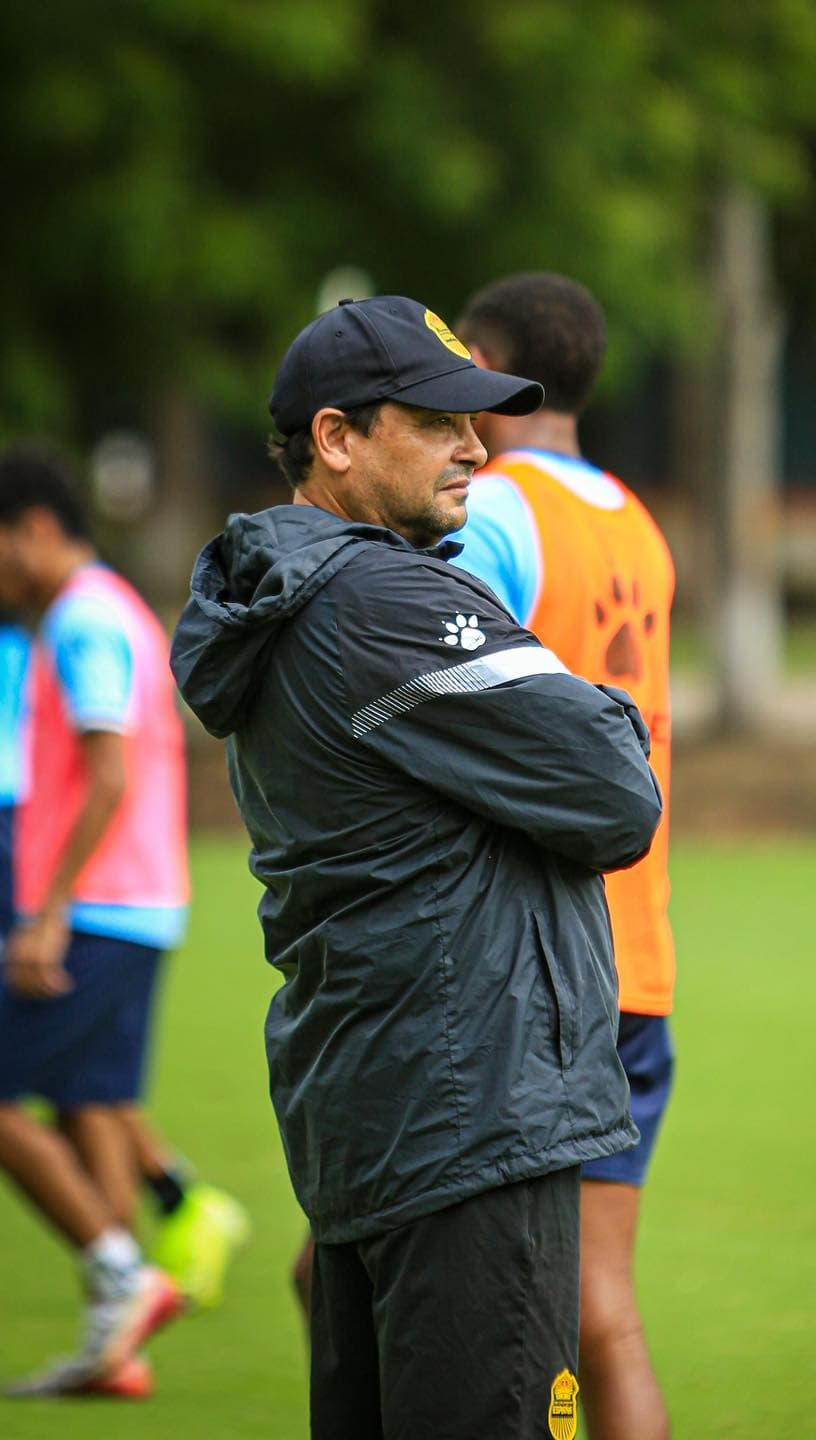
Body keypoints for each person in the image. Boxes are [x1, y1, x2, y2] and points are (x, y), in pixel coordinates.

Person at [170, 294, 663, 1440]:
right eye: (439, 421)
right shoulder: (386, 596)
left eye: (478, 421)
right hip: (472, 1113)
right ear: (337, 439)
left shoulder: (296, 596)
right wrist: (593, 707)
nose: (476, 450)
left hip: (374, 1107)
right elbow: (616, 791)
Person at [451, 272, 676, 1440]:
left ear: (495, 372)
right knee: (605, 1313)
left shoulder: (492, 516)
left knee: (480, 1306)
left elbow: (437, 702)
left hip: (536, 970)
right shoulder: (633, 519)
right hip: (639, 959)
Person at [0, 449, 189, 1397]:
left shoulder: (81, 620)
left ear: (34, 528)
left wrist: (48, 909)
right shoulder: (102, 608)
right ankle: (117, 1342)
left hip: (104, 907)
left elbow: (107, 771)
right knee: (90, 1098)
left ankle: (122, 1274)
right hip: (139, 904)